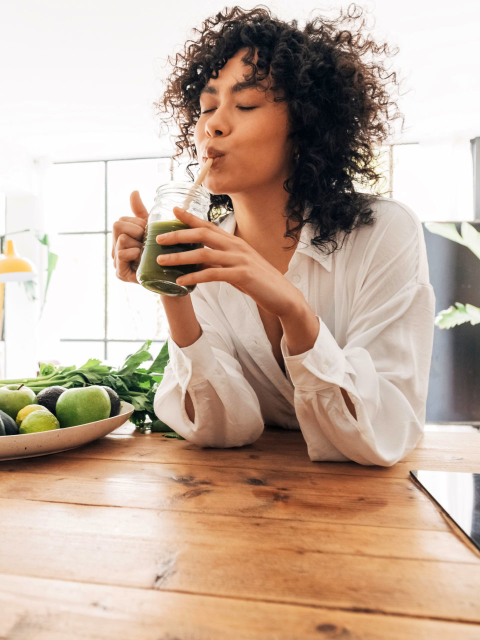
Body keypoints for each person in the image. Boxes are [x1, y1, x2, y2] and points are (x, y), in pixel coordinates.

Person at [111, 5, 436, 466]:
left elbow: (384, 434)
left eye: (244, 105)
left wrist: (292, 308)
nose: (213, 124)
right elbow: (220, 430)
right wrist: (172, 286)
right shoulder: (202, 248)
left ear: (304, 125)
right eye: (207, 106)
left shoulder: (383, 233)